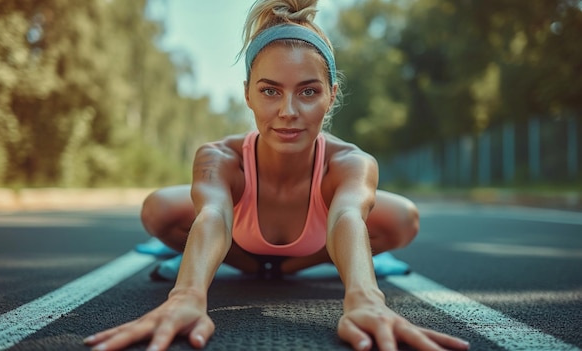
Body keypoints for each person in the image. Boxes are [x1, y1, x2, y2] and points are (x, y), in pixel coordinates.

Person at [84, 1, 471, 350]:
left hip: (314, 246)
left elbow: (347, 216)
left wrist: (364, 297)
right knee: (157, 210)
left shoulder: (352, 162)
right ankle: (237, 262)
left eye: (307, 92)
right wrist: (186, 295)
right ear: (248, 94)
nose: (288, 111)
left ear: (331, 95)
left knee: (404, 219)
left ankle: (304, 264)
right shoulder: (219, 157)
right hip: (239, 245)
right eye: (270, 92)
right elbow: (214, 215)